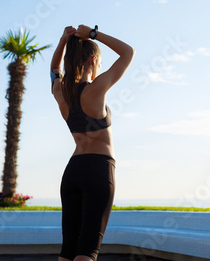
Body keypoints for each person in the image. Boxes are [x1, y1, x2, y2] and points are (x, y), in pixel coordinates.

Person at [51, 25, 134, 261]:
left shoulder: (61, 91)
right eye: (99, 62)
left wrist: (63, 40)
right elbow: (128, 52)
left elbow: (55, 69)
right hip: (98, 169)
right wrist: (93, 35)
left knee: (68, 251)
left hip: (73, 171)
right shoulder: (96, 90)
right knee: (87, 250)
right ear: (93, 59)